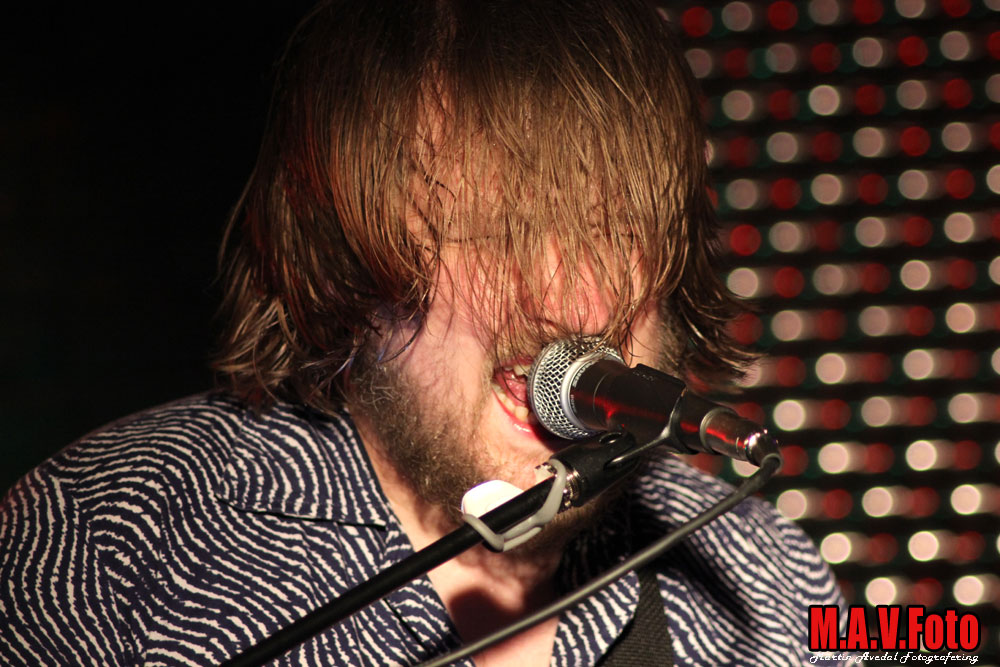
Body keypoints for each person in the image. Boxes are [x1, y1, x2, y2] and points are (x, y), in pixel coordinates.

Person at [1, 1, 848, 665]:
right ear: (341, 264)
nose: (571, 299)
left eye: (615, 227)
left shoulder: (768, 578)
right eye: (495, 226)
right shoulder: (112, 538)